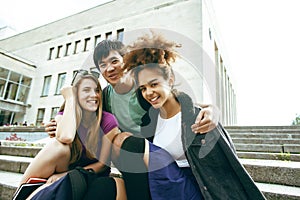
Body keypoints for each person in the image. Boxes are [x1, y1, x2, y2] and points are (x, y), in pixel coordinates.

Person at [111, 32, 266, 200]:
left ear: (170, 80)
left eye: (154, 84)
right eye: (143, 88)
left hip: (194, 190)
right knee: (124, 142)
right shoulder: (151, 119)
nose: (148, 92)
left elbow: (226, 168)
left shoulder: (198, 119)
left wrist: (214, 111)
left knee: (132, 145)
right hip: (166, 185)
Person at [17, 70, 126, 200]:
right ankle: (21, 194)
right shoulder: (64, 116)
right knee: (57, 146)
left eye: (97, 90)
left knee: (117, 185)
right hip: (67, 166)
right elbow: (66, 137)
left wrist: (65, 175)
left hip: (90, 174)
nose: (94, 95)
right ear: (76, 95)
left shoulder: (107, 120)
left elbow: (102, 164)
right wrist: (69, 97)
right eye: (86, 90)